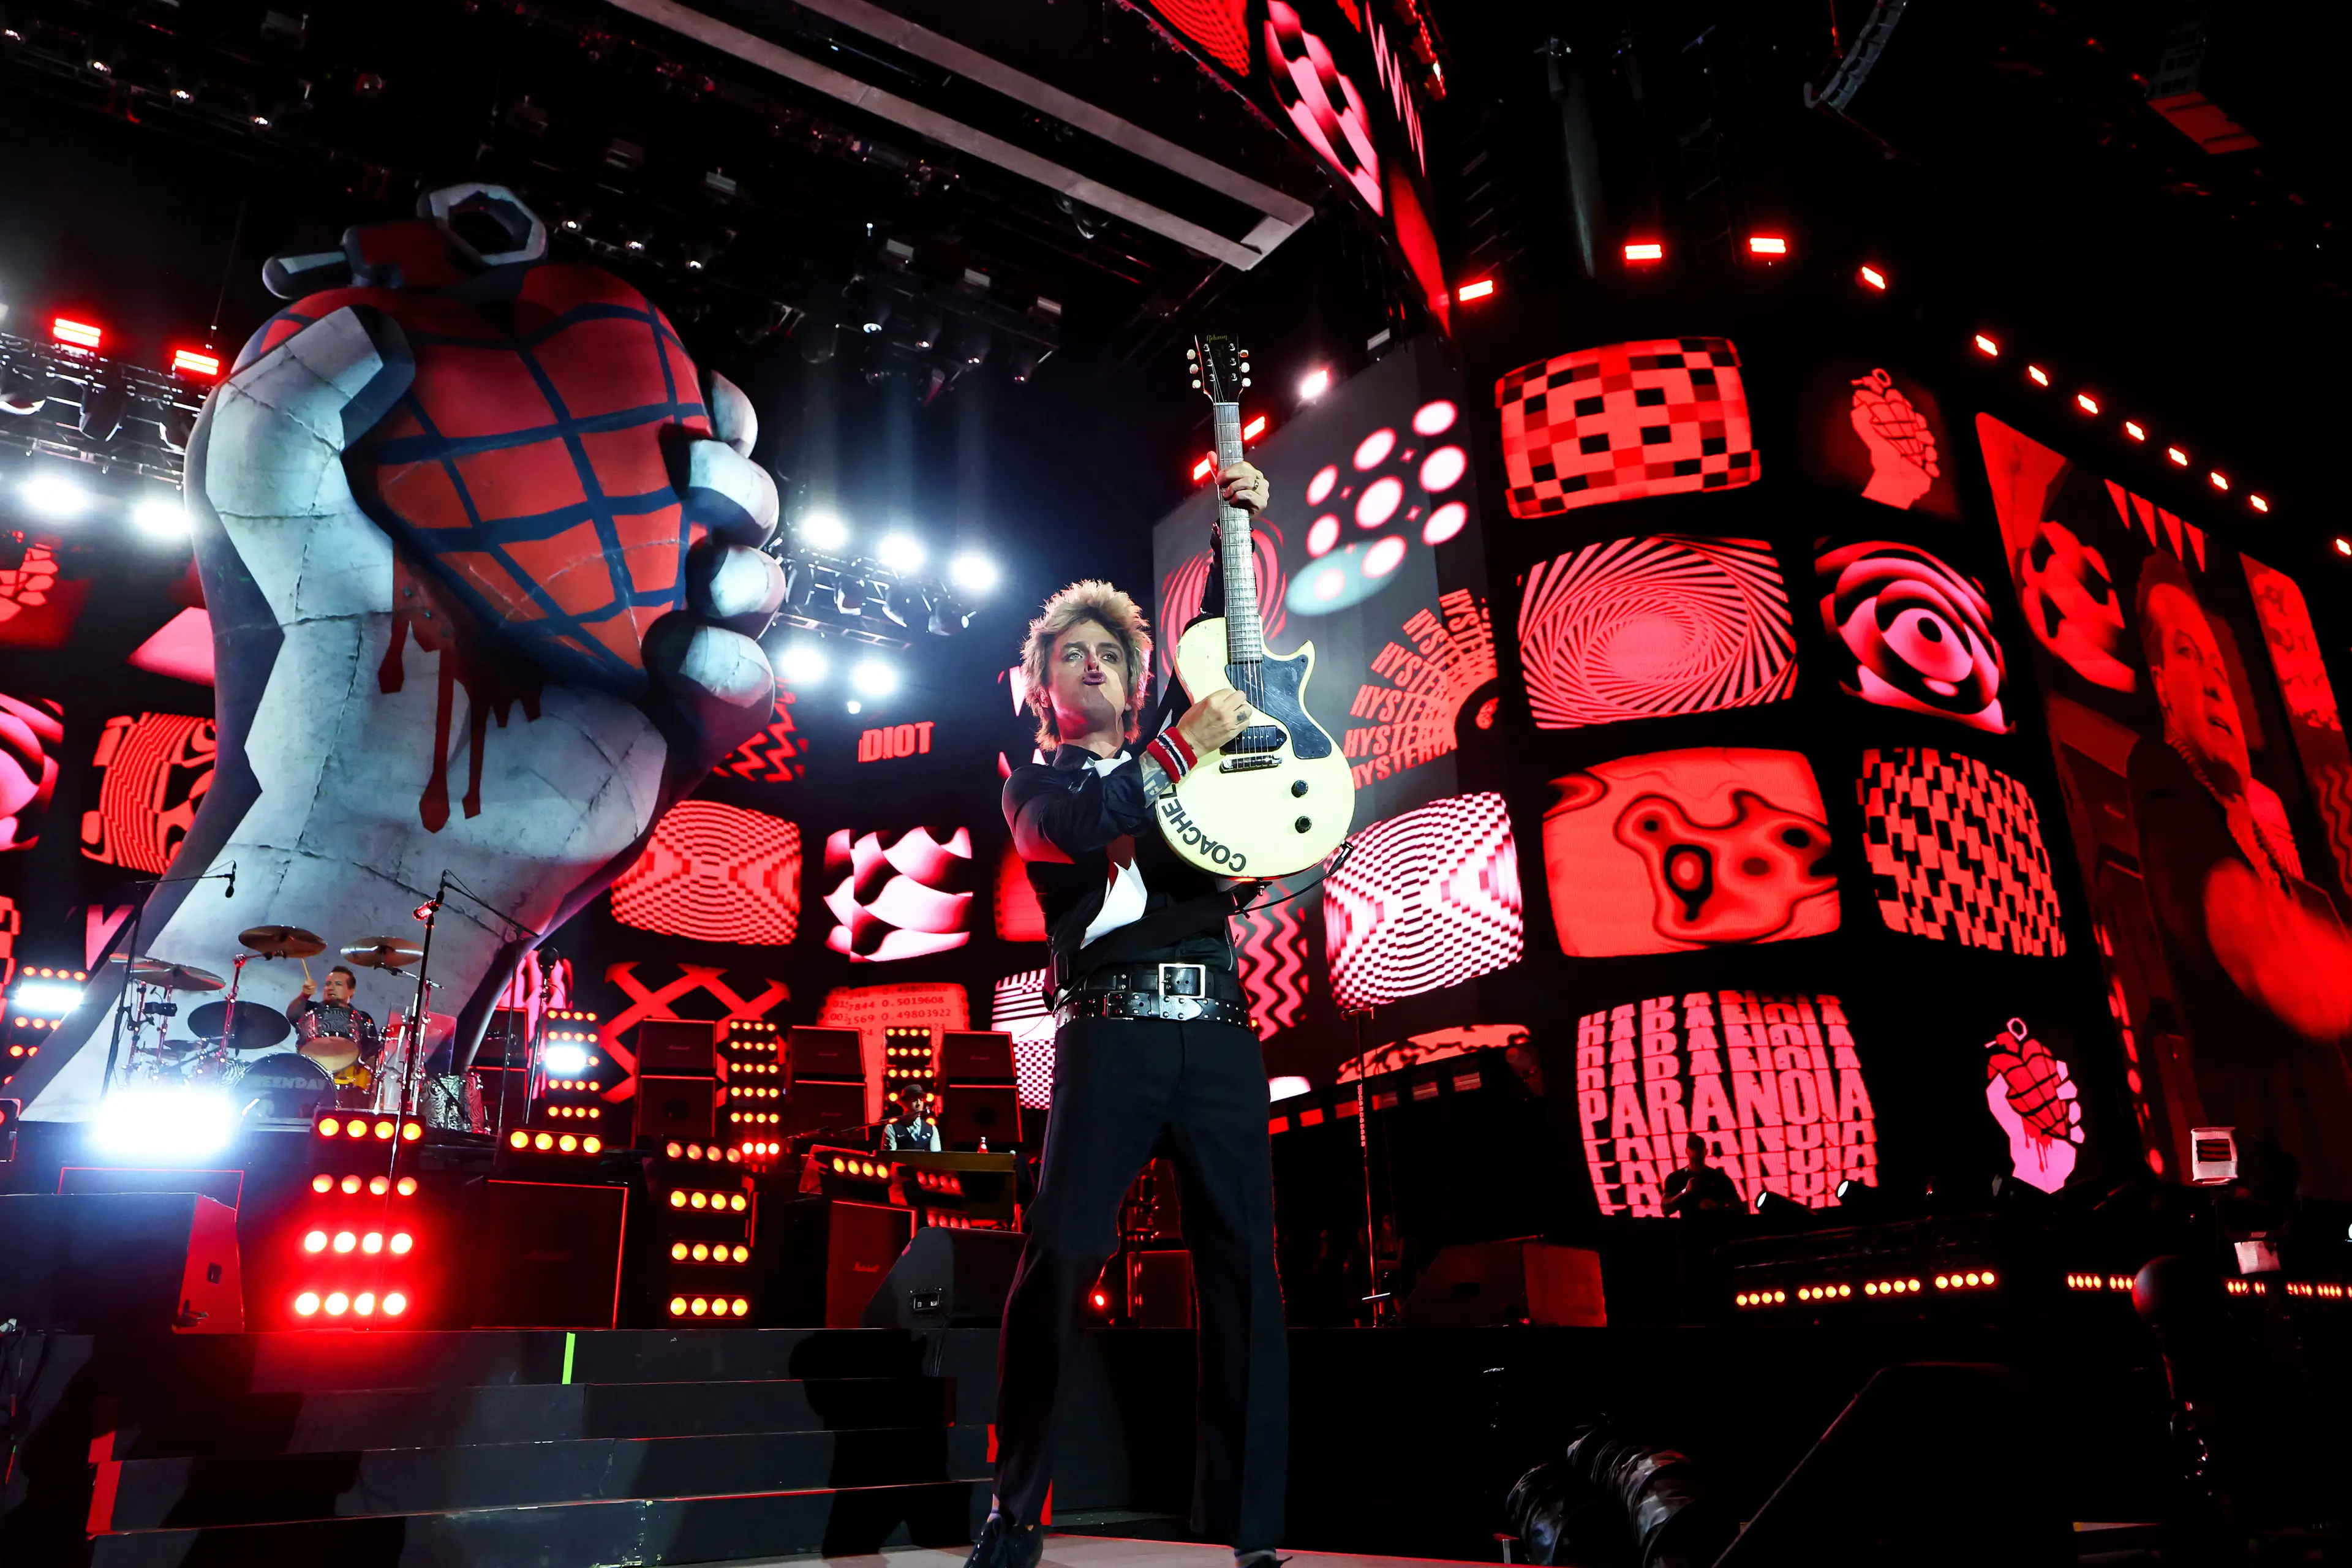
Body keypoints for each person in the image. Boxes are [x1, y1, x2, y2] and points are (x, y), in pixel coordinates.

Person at [967, 462, 1284, 1568]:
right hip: (1107, 1036)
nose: (1093, 663)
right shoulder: (1035, 787)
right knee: (1059, 1255)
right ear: (1042, 682)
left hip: (1219, 1035)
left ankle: (1245, 1531)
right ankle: (1014, 1511)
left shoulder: (1186, 768)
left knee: (1245, 1265)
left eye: (1111, 651)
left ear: (1138, 674)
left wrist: (1232, 526)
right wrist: (1181, 743)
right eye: (1072, 653)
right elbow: (1102, 814)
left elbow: (1233, 684)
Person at [2124, 552, 2352, 1193]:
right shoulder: (2161, 777)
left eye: (2221, 664)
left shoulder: (2302, 891)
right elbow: (2251, 941)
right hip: (2288, 1219)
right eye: (2191, 655)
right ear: (2162, 683)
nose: (2217, 682)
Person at [287, 965, 380, 1077]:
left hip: (347, 1080)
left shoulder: (362, 1018)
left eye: (338, 984)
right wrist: (305, 995)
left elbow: (372, 1054)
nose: (330, 988)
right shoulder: (311, 1009)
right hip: (309, 1075)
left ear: (351, 991)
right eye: (328, 984)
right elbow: (292, 1015)